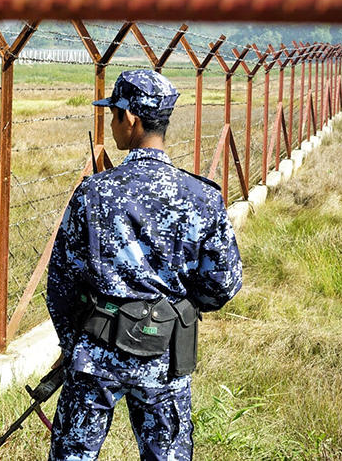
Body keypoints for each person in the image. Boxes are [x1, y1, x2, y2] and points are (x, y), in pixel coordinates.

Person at [46, 70, 243, 461]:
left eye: (113, 115)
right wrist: (174, 309)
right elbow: (223, 284)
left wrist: (76, 343)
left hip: (96, 354)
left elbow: (60, 284)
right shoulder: (201, 197)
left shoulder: (94, 192)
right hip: (165, 355)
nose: (112, 125)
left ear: (131, 118)